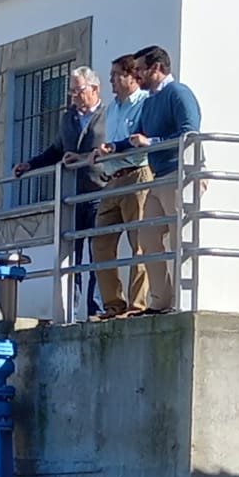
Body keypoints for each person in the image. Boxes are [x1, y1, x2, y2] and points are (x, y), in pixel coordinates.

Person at [15, 66, 105, 317]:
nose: (74, 96)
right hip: (72, 196)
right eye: (72, 91)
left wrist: (83, 157)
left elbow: (111, 150)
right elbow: (56, 150)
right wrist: (30, 165)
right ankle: (71, 310)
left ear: (94, 89)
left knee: (98, 252)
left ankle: (95, 308)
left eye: (79, 90)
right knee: (72, 254)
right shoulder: (68, 118)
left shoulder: (108, 115)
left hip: (99, 191)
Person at [122, 44, 202, 316]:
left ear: (157, 68)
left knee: (181, 239)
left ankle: (183, 302)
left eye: (141, 70)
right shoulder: (150, 101)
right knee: (148, 235)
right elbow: (139, 135)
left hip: (180, 174)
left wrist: (152, 142)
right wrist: (113, 148)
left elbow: (189, 133)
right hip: (159, 177)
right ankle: (160, 301)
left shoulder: (178, 93)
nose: (137, 76)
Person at [87, 54, 155, 318]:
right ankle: (113, 305)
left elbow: (141, 138)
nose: (112, 81)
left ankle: (137, 305)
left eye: (116, 75)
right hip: (113, 177)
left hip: (137, 173)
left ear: (131, 76)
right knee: (101, 242)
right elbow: (110, 142)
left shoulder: (144, 103)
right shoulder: (112, 107)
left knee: (138, 241)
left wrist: (115, 148)